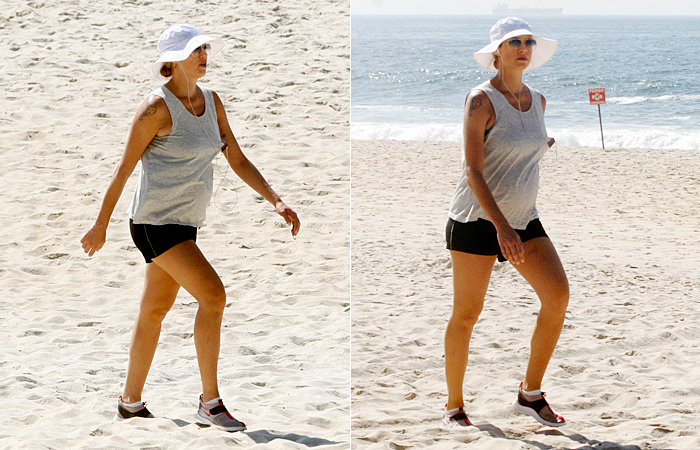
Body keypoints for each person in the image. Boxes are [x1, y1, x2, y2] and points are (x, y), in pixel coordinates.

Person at [80, 24, 300, 431]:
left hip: (185, 221)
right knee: (214, 295)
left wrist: (275, 198)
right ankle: (210, 403)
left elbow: (236, 157)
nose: (204, 55)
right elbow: (123, 169)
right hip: (153, 222)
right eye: (195, 50)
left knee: (154, 310)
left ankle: (129, 403)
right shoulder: (155, 108)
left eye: (204, 48)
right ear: (173, 59)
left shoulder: (212, 102)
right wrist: (100, 225)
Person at [442, 17, 567, 429]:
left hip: (524, 218)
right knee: (467, 313)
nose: (523, 49)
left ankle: (530, 394)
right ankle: (454, 407)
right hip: (478, 220)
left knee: (557, 296)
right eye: (514, 42)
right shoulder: (480, 100)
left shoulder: (539, 100)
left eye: (529, 42)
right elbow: (474, 171)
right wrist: (501, 228)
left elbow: (522, 147)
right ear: (497, 52)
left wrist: (537, 147)